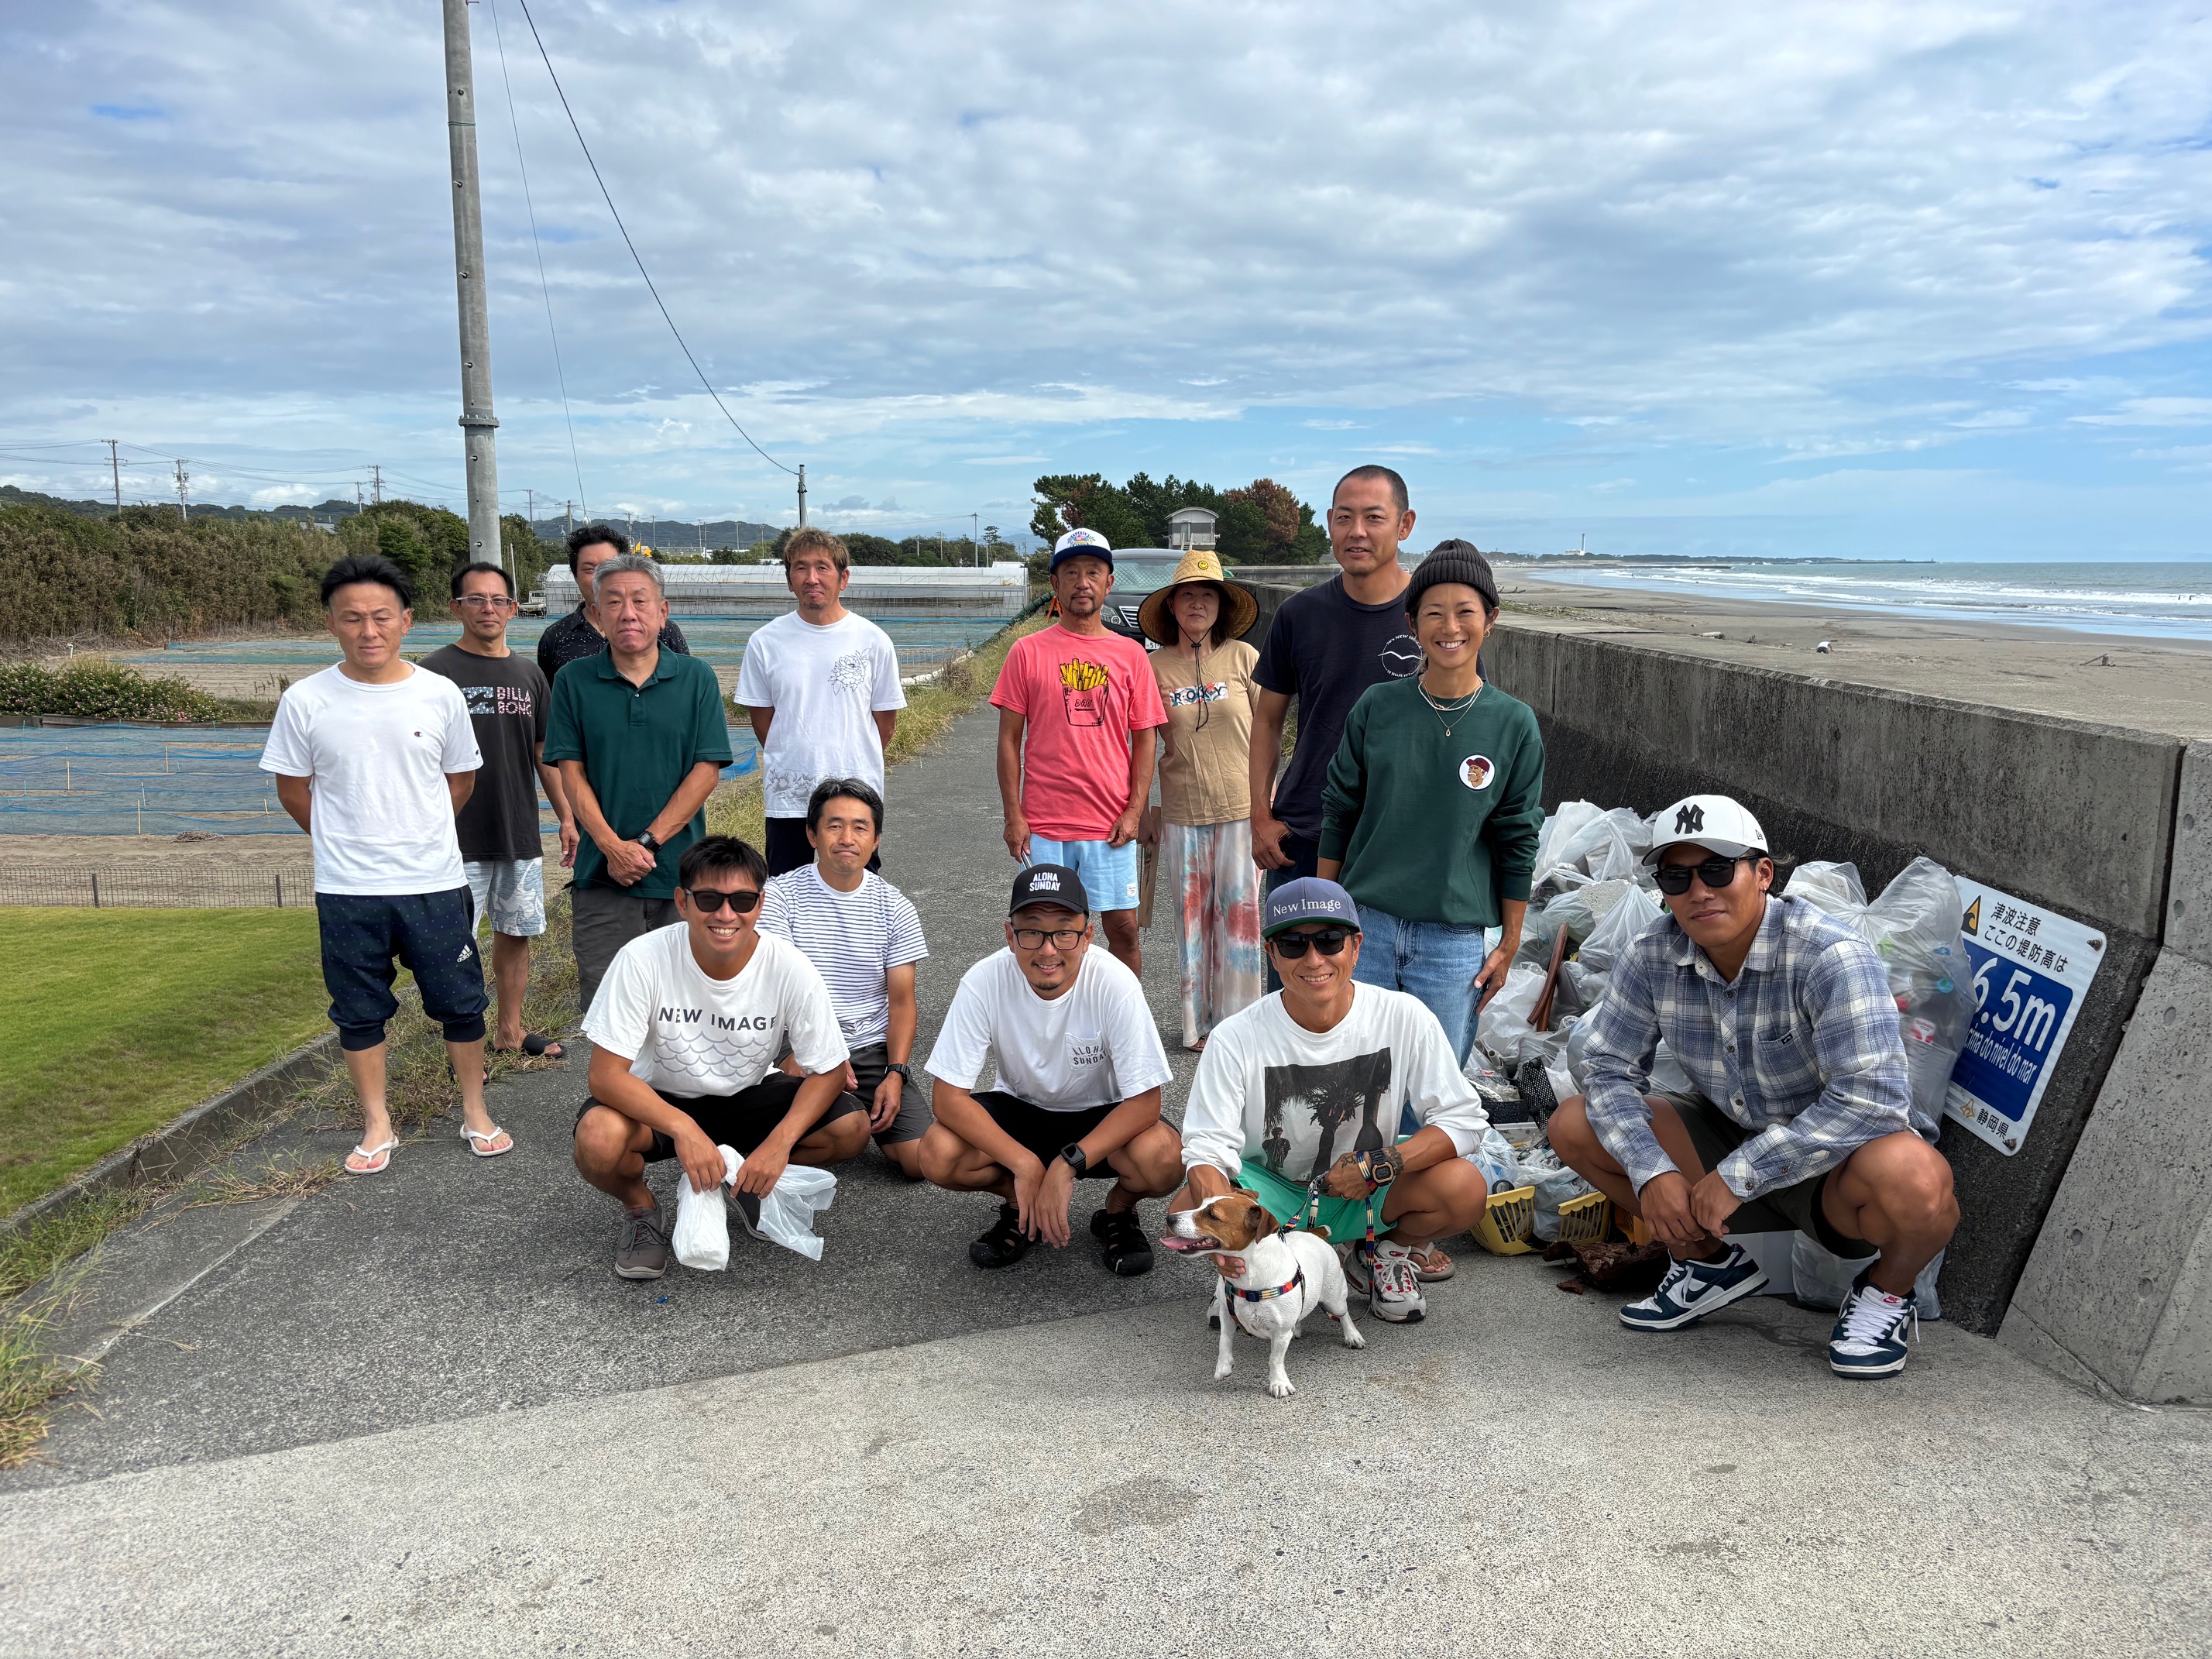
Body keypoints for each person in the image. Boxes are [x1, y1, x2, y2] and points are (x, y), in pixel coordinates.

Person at [1547, 795, 1960, 1379]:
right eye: (1676, 876)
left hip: (1833, 1163)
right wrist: (1653, 1171)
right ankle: (1709, 1264)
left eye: (1718, 870)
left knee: (1920, 1182)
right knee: (1574, 1123)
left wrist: (1741, 1175)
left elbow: (1873, 1100)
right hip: (1728, 1135)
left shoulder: (1831, 955)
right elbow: (1609, 1069)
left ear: (1763, 874)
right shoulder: (1652, 955)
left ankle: (1886, 1295)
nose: (1699, 891)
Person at [260, 555, 512, 1175]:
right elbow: (294, 790)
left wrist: (415, 831)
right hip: (348, 888)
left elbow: (461, 780)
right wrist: (347, 841)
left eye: (380, 617)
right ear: (331, 625)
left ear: (405, 621)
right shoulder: (306, 700)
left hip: (433, 881)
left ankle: (476, 1110)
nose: (368, 630)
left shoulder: (439, 693)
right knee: (358, 1009)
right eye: (353, 619)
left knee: (461, 1001)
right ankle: (377, 1122)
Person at [1172, 878, 1493, 1325]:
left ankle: (1383, 1253)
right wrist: (1224, 1228)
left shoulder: (1404, 1016)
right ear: (1271, 953)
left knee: (1465, 1188)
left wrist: (1377, 1165)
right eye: (1293, 944)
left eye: (1329, 940)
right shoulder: (1235, 1037)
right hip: (1273, 1193)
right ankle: (1251, 1272)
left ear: (1357, 946)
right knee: (1188, 1202)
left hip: (1367, 1188)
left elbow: (1463, 1121)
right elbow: (1207, 1146)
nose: (1314, 959)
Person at [572, 835, 868, 1279]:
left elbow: (827, 1071)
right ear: (683, 901)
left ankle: (745, 1180)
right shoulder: (642, 959)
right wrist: (683, 1128)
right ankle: (642, 1211)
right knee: (597, 1140)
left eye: (743, 900)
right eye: (709, 899)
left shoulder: (789, 966)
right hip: (661, 1100)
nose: (726, 915)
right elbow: (605, 1076)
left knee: (851, 1127)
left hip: (747, 1094)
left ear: (761, 903)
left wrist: (779, 1145)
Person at [919, 864, 1182, 1276]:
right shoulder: (983, 981)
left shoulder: (1115, 983)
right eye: (1031, 931)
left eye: (1064, 931)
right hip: (1021, 1109)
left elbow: (1145, 1102)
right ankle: (1018, 1204)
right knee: (937, 1152)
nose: (1048, 949)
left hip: (1100, 1115)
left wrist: (1066, 1165)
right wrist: (1025, 1166)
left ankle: (1118, 1210)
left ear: (1088, 935)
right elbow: (947, 1099)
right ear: (1010, 935)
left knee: (1166, 1158)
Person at [543, 554, 734, 1017]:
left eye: (640, 601)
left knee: (688, 1008)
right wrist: (612, 848)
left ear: (662, 611)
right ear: (599, 613)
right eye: (614, 602)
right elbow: (572, 772)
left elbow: (706, 771)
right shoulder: (574, 681)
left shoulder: (696, 678)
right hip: (602, 877)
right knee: (612, 1011)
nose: (628, 612)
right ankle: (615, 1093)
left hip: (681, 877)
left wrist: (645, 844)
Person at [991, 527, 1166, 977]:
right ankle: (1053, 1025)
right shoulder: (1026, 652)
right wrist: (1014, 815)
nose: (1082, 582)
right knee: (1048, 933)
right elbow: (1009, 740)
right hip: (1046, 822)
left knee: (1122, 927)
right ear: (1055, 584)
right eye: (1071, 573)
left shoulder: (1130, 655)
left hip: (1109, 823)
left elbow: (1145, 737)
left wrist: (1134, 810)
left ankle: (1126, 1028)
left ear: (1109, 582)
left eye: (1093, 572)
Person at [1248, 465, 1423, 912]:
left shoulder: (1434, 619)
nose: (1357, 532)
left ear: (1405, 525)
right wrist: (1260, 817)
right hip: (1305, 831)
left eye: (1374, 518)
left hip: (1401, 839)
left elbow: (1465, 726)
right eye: (1344, 518)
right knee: (1301, 973)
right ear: (1329, 522)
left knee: (1387, 982)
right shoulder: (1298, 614)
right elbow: (1268, 719)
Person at [421, 561, 577, 1060]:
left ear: (512, 608)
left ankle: (510, 1031)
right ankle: (462, 1046)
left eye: (498, 600)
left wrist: (567, 817)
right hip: (454, 835)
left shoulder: (528, 673)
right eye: (475, 599)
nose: (488, 609)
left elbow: (543, 752)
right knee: (454, 945)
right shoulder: (432, 672)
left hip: (516, 830)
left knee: (516, 933)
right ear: (456, 608)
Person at [759, 778, 931, 1178]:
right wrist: (792, 1052)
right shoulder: (780, 896)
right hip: (799, 1042)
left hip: (869, 1048)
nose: (847, 837)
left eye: (860, 827)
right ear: (811, 834)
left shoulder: (895, 907)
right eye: (834, 825)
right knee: (847, 1133)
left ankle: (842, 1108)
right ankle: (752, 1154)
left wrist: (896, 1072)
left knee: (922, 1160)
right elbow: (774, 986)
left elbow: (902, 1001)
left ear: (876, 840)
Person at [1136, 548, 1264, 1051]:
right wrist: (1143, 808)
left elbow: (1269, 735)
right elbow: (1141, 745)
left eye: (1206, 595)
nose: (1196, 603)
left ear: (1221, 605)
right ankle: (1195, 1028)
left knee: (1240, 923)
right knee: (1191, 924)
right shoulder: (1153, 668)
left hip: (1242, 809)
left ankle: (1241, 1026)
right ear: (1171, 605)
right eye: (1187, 594)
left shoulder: (1244, 659)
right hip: (1183, 811)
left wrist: (1267, 807)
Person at [734, 528, 905, 878]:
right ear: (789, 579)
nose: (811, 578)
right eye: (801, 568)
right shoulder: (765, 642)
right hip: (789, 797)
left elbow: (884, 723)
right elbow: (763, 722)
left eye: (822, 568)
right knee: (786, 889)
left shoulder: (873, 641)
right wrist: (796, 754)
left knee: (858, 888)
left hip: (855, 795)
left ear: (843, 578)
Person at [536, 523, 692, 678]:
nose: (599, 577)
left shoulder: (664, 630)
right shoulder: (556, 637)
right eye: (589, 569)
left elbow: (685, 683)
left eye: (608, 567)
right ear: (575, 576)